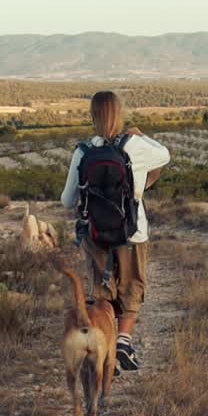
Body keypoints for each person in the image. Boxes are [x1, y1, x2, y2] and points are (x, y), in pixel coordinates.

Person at [60, 91, 170, 372]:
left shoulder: (83, 151)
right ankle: (123, 342)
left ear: (92, 116)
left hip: (97, 235)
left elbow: (67, 200)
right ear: (119, 114)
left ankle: (103, 349)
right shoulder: (134, 145)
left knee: (103, 291)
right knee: (132, 288)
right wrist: (140, 134)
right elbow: (165, 155)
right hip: (133, 233)